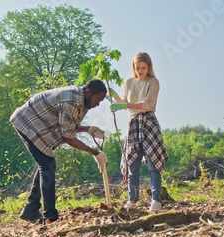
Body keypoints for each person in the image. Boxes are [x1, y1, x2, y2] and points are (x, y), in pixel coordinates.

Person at [10, 79, 108, 224]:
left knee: (46, 164)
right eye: (98, 99)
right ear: (88, 92)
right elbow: (68, 137)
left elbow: (69, 126)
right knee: (48, 165)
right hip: (27, 122)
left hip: (35, 124)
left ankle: (31, 208)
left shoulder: (81, 102)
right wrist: (95, 153)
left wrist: (88, 129)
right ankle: (50, 216)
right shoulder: (72, 100)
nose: (97, 104)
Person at [108, 52, 168, 211]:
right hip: (133, 123)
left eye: (143, 68)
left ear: (149, 67)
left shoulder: (153, 82)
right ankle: (132, 199)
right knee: (132, 164)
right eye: (137, 68)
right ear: (133, 68)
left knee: (153, 163)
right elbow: (124, 101)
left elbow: (148, 104)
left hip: (148, 122)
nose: (140, 70)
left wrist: (125, 106)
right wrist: (113, 95)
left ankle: (156, 200)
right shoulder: (129, 82)